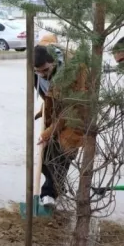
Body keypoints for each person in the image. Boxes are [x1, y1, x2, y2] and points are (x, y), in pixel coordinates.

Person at [33, 44, 86, 207]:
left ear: (55, 62)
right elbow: (47, 95)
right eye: (38, 72)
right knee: (44, 157)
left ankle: (49, 194)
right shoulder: (37, 67)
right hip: (56, 110)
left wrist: (50, 132)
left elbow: (70, 109)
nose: (42, 75)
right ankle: (57, 186)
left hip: (76, 113)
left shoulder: (75, 70)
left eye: (45, 70)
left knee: (62, 152)